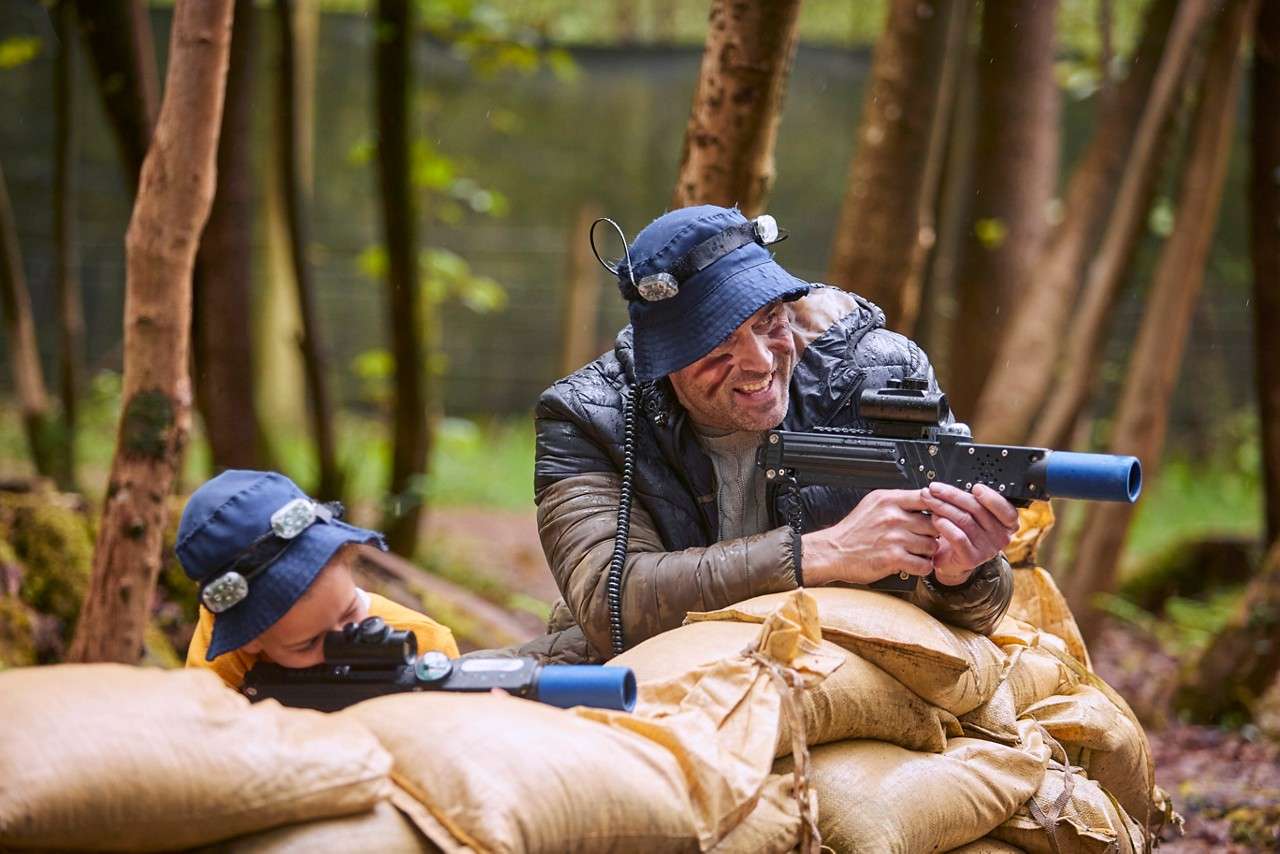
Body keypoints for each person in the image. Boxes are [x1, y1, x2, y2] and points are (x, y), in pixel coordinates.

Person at [534, 205, 1018, 659]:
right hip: (655, 666)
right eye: (719, 344)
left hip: (835, 665)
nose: (760, 362)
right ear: (664, 355)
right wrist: (827, 552)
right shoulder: (587, 416)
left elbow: (978, 614)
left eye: (769, 322)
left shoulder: (882, 377)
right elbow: (610, 604)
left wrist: (958, 574)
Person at [179, 469, 458, 688]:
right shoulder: (226, 655)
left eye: (350, 611)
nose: (342, 643)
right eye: (309, 643)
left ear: (348, 562)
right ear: (247, 638)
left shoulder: (425, 645)